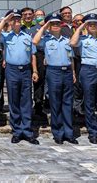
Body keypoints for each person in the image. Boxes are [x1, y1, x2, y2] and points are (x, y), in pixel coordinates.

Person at [0, 10, 39, 145]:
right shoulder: (6, 36)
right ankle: (17, 131)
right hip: (12, 70)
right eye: (13, 19)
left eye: (18, 19)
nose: (16, 21)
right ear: (10, 22)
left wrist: (35, 70)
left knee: (26, 100)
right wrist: (5, 20)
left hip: (25, 70)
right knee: (14, 100)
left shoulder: (27, 36)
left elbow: (32, 55)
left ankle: (27, 131)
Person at [33, 13, 77, 145]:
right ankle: (57, 132)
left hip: (67, 71)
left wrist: (73, 72)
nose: (56, 26)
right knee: (55, 103)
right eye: (53, 23)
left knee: (68, 103)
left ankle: (69, 133)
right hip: (53, 72)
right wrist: (45, 26)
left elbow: (71, 57)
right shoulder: (45, 39)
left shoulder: (66, 40)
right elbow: (34, 41)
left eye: (58, 23)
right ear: (48, 26)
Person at [69, 14, 97, 145]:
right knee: (89, 103)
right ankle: (93, 132)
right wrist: (81, 26)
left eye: (95, 23)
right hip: (87, 70)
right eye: (90, 24)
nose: (93, 26)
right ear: (86, 26)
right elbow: (72, 43)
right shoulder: (82, 39)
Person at [32, 9, 47, 115]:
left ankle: (49, 102)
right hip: (38, 55)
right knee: (39, 81)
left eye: (41, 15)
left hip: (50, 55)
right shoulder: (32, 29)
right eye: (37, 15)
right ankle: (38, 103)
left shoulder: (50, 27)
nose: (39, 17)